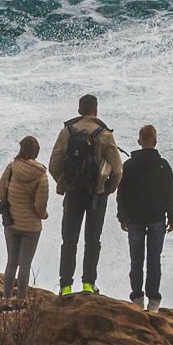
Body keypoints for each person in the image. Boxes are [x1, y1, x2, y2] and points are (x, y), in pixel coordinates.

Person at [49, 93, 123, 298]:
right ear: (96, 109)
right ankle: (89, 284)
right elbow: (117, 170)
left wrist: (63, 182)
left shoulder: (67, 131)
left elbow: (53, 164)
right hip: (95, 196)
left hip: (72, 193)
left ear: (79, 109)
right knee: (92, 240)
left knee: (69, 239)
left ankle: (65, 286)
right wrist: (107, 189)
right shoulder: (105, 134)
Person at [116, 125, 173, 313]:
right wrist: (172, 216)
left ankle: (136, 297)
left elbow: (122, 193)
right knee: (153, 259)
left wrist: (122, 216)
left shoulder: (129, 165)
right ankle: (153, 302)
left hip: (135, 219)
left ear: (139, 142)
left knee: (136, 259)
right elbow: (170, 193)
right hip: (157, 218)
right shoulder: (163, 165)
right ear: (155, 142)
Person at [0, 135, 49, 304]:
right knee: (25, 264)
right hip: (31, 227)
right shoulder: (41, 175)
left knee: (11, 262)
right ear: (36, 152)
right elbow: (40, 205)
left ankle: (6, 298)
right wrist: (44, 215)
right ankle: (20, 301)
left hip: (11, 222)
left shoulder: (12, 167)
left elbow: (1, 192)